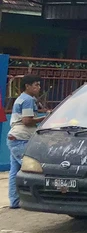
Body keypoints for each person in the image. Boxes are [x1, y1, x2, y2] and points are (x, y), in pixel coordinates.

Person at [7, 74, 43, 209]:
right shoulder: (28, 100)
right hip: (21, 138)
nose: (38, 88)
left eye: (39, 85)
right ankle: (36, 200)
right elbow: (27, 121)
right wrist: (43, 118)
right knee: (32, 170)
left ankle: (15, 202)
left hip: (14, 138)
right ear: (27, 86)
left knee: (14, 171)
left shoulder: (21, 98)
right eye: (36, 85)